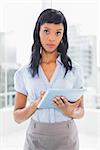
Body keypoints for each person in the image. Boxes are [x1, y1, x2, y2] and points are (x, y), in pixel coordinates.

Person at [13, 8, 85, 150]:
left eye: (58, 33)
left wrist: (70, 112)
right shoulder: (23, 73)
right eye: (46, 31)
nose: (52, 38)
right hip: (36, 138)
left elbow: (81, 111)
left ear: (63, 36)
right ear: (38, 32)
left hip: (67, 137)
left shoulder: (74, 70)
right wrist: (35, 105)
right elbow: (17, 117)